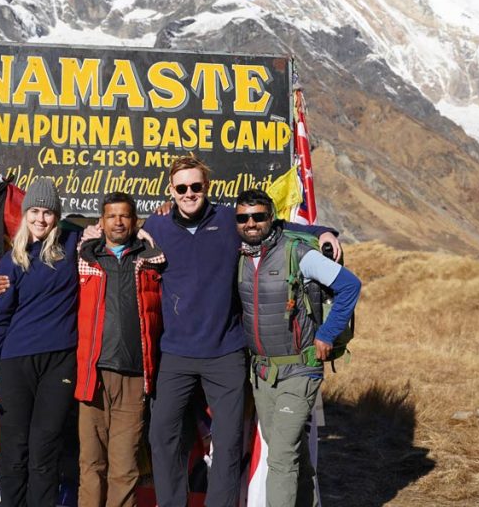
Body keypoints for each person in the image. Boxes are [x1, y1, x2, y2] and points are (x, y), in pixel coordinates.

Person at [143, 156, 340, 507]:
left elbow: (274, 228)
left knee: (229, 441)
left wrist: (322, 232)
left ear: (208, 188)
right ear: (170, 190)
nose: (189, 194)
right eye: (182, 188)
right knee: (162, 436)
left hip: (226, 352)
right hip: (175, 353)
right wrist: (91, 233)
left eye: (196, 187)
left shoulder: (228, 220)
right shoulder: (155, 228)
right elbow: (116, 234)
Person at [235, 188, 361, 507]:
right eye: (243, 218)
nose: (251, 223)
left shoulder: (298, 253)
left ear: (272, 218)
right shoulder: (238, 254)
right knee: (290, 449)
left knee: (280, 457)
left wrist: (328, 333)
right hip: (262, 372)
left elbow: (349, 285)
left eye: (259, 216)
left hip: (300, 368)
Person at [0, 177, 80, 507]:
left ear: (57, 216)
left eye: (48, 212)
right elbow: (1, 320)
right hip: (15, 363)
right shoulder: (11, 262)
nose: (41, 218)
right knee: (14, 449)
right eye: (34, 211)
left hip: (59, 361)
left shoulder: (73, 245)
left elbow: (113, 230)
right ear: (25, 214)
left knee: (45, 447)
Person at [75, 191, 165, 507]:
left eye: (124, 215)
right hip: (93, 375)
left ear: (134, 221)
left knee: (125, 468)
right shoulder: (84, 259)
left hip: (134, 377)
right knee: (91, 464)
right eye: (111, 215)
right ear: (101, 221)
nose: (118, 221)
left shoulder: (152, 262)